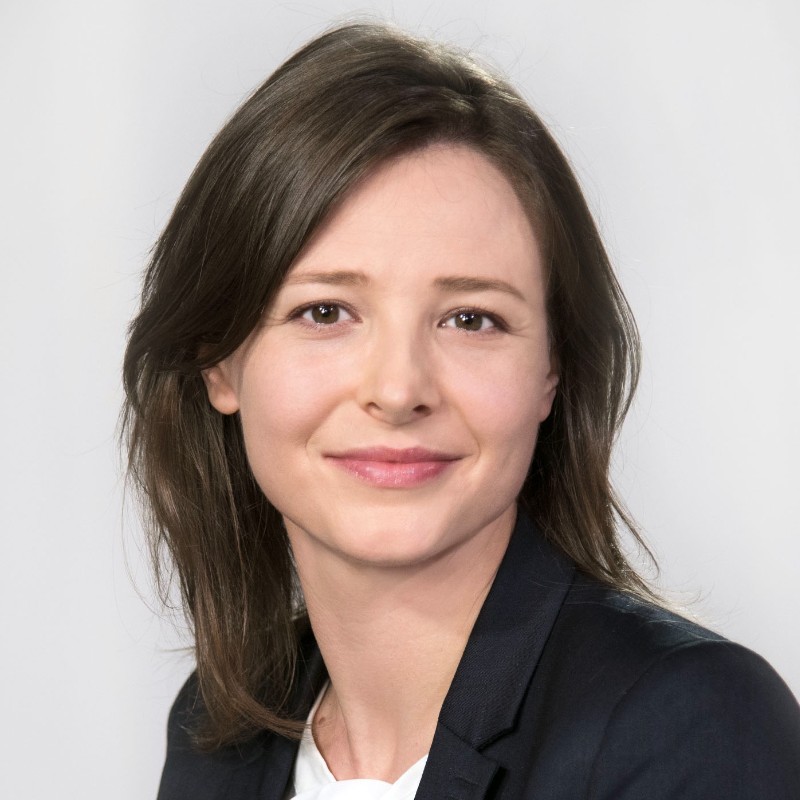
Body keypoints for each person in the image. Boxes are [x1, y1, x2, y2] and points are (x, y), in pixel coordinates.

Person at [122, 21, 800, 800]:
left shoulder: (689, 725)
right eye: (325, 312)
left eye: (471, 319)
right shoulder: (219, 734)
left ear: (552, 370)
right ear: (218, 360)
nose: (398, 389)